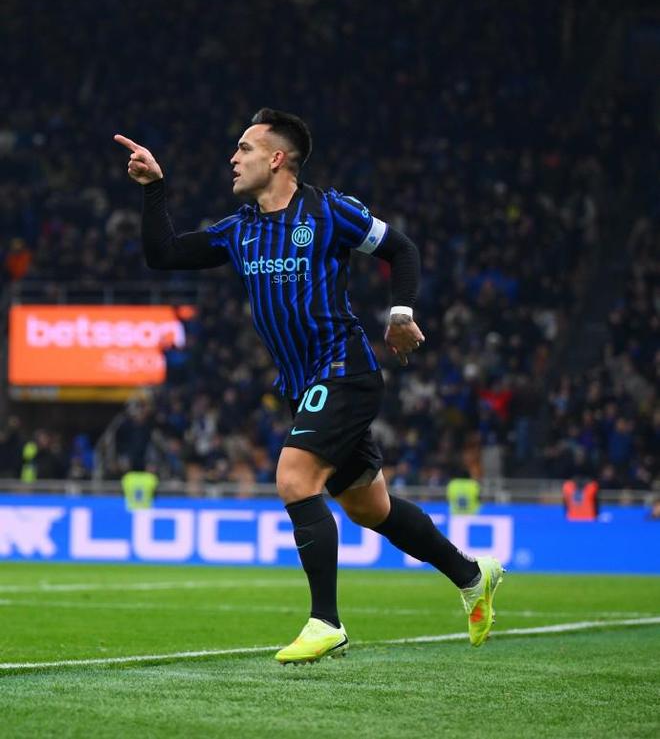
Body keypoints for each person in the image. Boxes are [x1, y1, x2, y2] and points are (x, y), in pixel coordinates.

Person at [114, 108, 504, 664]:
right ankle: (472, 575)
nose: (233, 158)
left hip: (344, 369)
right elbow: (165, 254)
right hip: (303, 386)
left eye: (245, 148)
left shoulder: (328, 211)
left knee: (294, 477)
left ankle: (327, 622)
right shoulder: (240, 230)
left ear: (277, 159)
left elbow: (402, 249)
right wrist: (154, 189)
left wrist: (400, 313)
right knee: (370, 508)